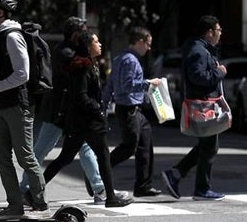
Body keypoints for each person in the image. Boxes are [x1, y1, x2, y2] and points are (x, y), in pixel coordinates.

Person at [20, 16, 110, 205]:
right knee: (41, 151)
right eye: (85, 32)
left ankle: (99, 188)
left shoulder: (75, 52)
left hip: (73, 114)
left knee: (85, 149)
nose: (88, 36)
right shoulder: (66, 53)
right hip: (58, 113)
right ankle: (25, 189)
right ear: (77, 33)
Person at [0, 0, 48, 220]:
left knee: (25, 156)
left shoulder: (11, 36)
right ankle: (14, 206)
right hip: (0, 106)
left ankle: (40, 203)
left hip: (18, 105)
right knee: (1, 157)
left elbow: (22, 74)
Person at [42, 31, 133, 208]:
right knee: (103, 155)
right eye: (96, 42)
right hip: (87, 122)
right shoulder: (82, 67)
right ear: (88, 46)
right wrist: (98, 110)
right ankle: (111, 197)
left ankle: (33, 191)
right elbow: (81, 97)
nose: (100, 45)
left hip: (81, 122)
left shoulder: (88, 64)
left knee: (65, 158)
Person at [162, 15, 227, 201]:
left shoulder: (201, 49)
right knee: (209, 147)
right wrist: (219, 72)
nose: (220, 33)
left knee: (207, 146)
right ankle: (201, 189)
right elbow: (198, 77)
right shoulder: (198, 51)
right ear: (209, 32)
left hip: (205, 105)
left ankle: (176, 174)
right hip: (203, 106)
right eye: (218, 30)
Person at [102, 27, 162, 197]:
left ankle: (143, 185)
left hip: (135, 109)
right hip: (128, 108)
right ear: (140, 41)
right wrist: (148, 83)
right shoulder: (130, 60)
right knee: (129, 147)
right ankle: (100, 172)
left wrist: (104, 104)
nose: (149, 48)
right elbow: (125, 86)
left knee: (145, 144)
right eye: (148, 44)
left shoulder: (121, 58)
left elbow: (111, 85)